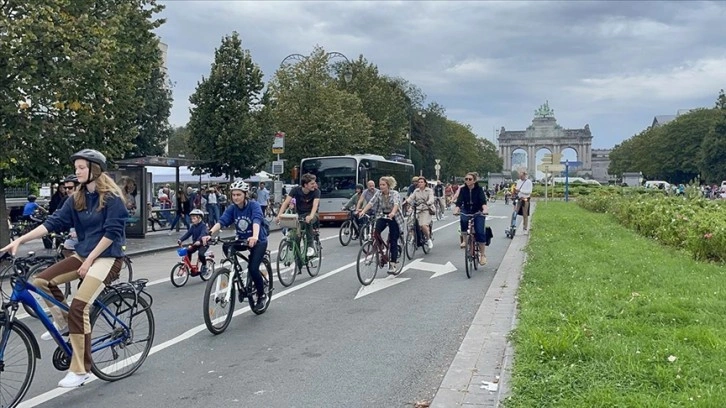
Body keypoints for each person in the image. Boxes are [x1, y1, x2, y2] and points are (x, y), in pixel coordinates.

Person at [1, 148, 128, 388]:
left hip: (107, 256)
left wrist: (89, 260)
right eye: (76, 167)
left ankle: (81, 370)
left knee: (79, 307)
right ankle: (66, 326)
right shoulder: (77, 197)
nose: (76, 171)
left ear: (95, 169)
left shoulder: (112, 198)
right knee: (40, 282)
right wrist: (19, 240)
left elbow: (112, 234)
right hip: (84, 254)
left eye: (81, 167)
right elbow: (53, 222)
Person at [203, 180, 269, 312]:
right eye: (233, 195)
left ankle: (261, 295)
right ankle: (236, 273)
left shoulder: (253, 206)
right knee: (227, 247)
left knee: (253, 268)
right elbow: (222, 221)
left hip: (258, 241)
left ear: (245, 195)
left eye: (239, 195)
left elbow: (256, 220)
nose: (236, 197)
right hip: (242, 240)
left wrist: (255, 236)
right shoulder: (232, 208)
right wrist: (210, 233)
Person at [357, 176, 404, 273]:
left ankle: (393, 264)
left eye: (383, 185)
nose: (381, 187)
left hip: (393, 216)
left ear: (388, 185)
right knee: (376, 232)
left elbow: (396, 204)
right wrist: (363, 211)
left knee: (393, 239)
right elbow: (371, 203)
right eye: (380, 185)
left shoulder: (394, 193)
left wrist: (392, 213)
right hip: (382, 215)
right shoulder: (378, 193)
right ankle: (381, 248)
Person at [275, 173, 320, 257]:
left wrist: (311, 216)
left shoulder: (316, 192)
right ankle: (298, 265)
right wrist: (279, 215)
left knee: (308, 221)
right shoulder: (295, 190)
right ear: (305, 185)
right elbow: (285, 203)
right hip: (300, 215)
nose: (314, 185)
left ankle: (310, 246)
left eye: (314, 183)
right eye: (312, 184)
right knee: (296, 237)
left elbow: (315, 205)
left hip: (313, 214)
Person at [453, 172, 489, 265]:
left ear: (474, 181)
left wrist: (485, 210)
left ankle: (482, 255)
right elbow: (459, 202)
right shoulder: (463, 190)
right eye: (466, 179)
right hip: (467, 210)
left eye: (470, 179)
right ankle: (465, 240)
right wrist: (456, 210)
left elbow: (483, 202)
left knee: (480, 232)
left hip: (478, 211)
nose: (467, 181)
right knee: (463, 219)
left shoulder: (479, 189)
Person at [405, 176, 435, 250]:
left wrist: (428, 202)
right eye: (419, 182)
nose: (420, 183)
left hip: (426, 209)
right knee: (410, 222)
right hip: (417, 209)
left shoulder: (429, 190)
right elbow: (411, 197)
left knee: (423, 225)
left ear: (425, 183)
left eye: (422, 182)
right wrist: (406, 202)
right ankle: (413, 236)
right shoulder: (416, 191)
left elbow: (431, 199)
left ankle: (428, 239)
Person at [176, 209, 210, 275]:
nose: (192, 220)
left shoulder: (204, 226)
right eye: (191, 219)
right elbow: (188, 234)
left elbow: (203, 234)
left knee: (201, 254)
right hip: (195, 244)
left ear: (199, 218)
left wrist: (198, 240)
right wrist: (181, 239)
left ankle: (204, 266)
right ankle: (188, 266)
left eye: (194, 218)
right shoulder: (193, 227)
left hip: (203, 244)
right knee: (188, 251)